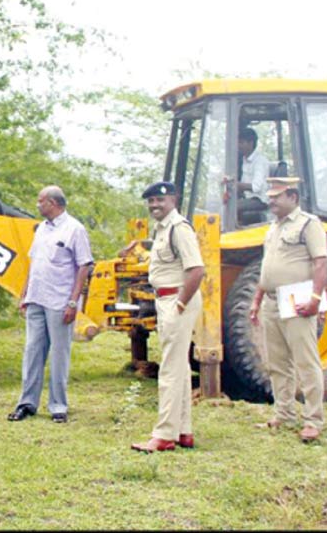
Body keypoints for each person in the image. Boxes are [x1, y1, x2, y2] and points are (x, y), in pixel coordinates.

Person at [126, 181, 205, 453]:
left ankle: (163, 435)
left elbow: (196, 270)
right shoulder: (163, 230)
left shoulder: (179, 228)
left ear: (173, 199)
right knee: (179, 367)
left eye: (160, 201)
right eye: (150, 202)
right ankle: (183, 431)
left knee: (170, 369)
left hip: (176, 299)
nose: (154, 206)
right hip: (166, 299)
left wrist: (180, 305)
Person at [249, 176, 327, 443]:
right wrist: (257, 299)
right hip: (271, 300)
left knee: (305, 360)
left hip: (298, 298)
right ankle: (284, 413)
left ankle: (313, 419)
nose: (271, 201)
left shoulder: (309, 224)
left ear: (292, 197)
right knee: (276, 362)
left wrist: (316, 298)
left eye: (277, 197)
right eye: (270, 197)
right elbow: (266, 267)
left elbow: (320, 263)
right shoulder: (273, 227)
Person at [7, 185, 93, 424]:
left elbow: (84, 265)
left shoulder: (75, 229)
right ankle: (27, 403)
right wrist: (25, 293)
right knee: (32, 350)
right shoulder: (41, 229)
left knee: (59, 353)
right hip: (37, 297)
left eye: (40, 201)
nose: (38, 205)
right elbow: (34, 261)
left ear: (53, 203)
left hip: (60, 300)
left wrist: (73, 301)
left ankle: (58, 406)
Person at [225, 127, 271, 225]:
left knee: (232, 206)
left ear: (250, 143)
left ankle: (235, 228)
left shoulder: (260, 162)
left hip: (259, 200)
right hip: (248, 198)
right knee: (222, 202)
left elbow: (256, 187)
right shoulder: (245, 160)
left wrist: (235, 184)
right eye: (238, 142)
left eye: (241, 142)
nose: (238, 146)